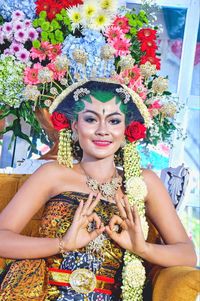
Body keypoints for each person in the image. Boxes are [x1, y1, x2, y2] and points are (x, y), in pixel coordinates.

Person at [0, 79, 197, 301]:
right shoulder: (52, 174)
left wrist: (142, 248)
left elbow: (187, 254)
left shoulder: (145, 182)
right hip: (47, 293)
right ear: (75, 126)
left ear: (126, 129)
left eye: (113, 121)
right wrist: (62, 244)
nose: (103, 130)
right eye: (91, 119)